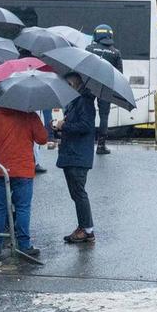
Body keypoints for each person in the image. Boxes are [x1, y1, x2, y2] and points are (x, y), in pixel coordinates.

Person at [0, 105, 48, 257]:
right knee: (23, 208)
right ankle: (24, 245)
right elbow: (43, 139)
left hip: (1, 168)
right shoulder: (29, 115)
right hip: (23, 168)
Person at [54, 73, 97, 244]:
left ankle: (87, 230)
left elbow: (85, 126)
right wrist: (61, 126)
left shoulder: (84, 101)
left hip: (78, 155)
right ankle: (83, 227)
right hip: (73, 154)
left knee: (79, 193)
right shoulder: (76, 101)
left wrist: (65, 125)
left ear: (74, 84)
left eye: (68, 84)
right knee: (76, 194)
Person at [86, 24, 123, 155]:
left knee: (88, 113)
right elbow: (119, 74)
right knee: (104, 116)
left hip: (90, 85)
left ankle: (87, 142)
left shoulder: (89, 49)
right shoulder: (116, 53)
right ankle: (101, 145)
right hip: (106, 87)